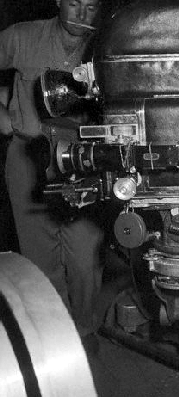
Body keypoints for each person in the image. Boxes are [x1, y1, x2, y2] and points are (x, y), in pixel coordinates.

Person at [0, 0, 103, 352]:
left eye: (90, 7)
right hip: (28, 157)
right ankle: (56, 335)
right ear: (59, 0)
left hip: (85, 161)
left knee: (83, 254)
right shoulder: (22, 37)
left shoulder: (104, 44)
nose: (81, 15)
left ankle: (85, 328)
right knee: (39, 255)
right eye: (73, 4)